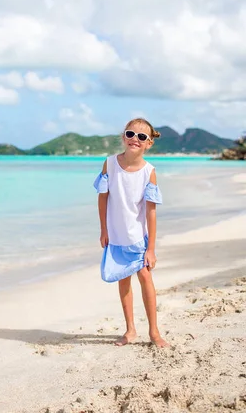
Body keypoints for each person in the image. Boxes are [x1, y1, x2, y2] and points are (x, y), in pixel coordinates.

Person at [93, 118, 169, 348]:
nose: (135, 139)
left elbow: (151, 212)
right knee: (123, 280)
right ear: (123, 137)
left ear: (148, 144)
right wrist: (104, 229)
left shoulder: (149, 172)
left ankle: (154, 332)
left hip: (138, 238)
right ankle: (130, 330)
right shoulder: (110, 164)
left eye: (142, 137)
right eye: (130, 134)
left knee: (145, 277)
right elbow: (102, 198)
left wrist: (151, 248)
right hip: (116, 236)